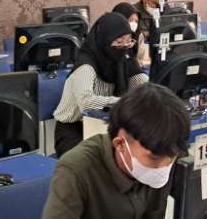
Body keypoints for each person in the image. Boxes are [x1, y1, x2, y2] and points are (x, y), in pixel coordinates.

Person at [36, 83, 191, 219]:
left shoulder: (166, 151)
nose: (165, 166)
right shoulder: (76, 169)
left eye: (171, 157)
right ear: (120, 145)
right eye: (153, 158)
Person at [52, 12, 147, 157]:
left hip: (105, 126)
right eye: (119, 42)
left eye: (128, 41)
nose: (125, 46)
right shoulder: (86, 66)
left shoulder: (125, 58)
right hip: (74, 130)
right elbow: (87, 103)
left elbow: (142, 84)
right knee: (99, 163)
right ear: (104, 41)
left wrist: (149, 94)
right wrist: (123, 102)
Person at [112, 2, 148, 66]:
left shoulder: (138, 36)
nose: (134, 24)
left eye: (136, 21)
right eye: (130, 20)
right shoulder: (110, 36)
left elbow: (140, 59)